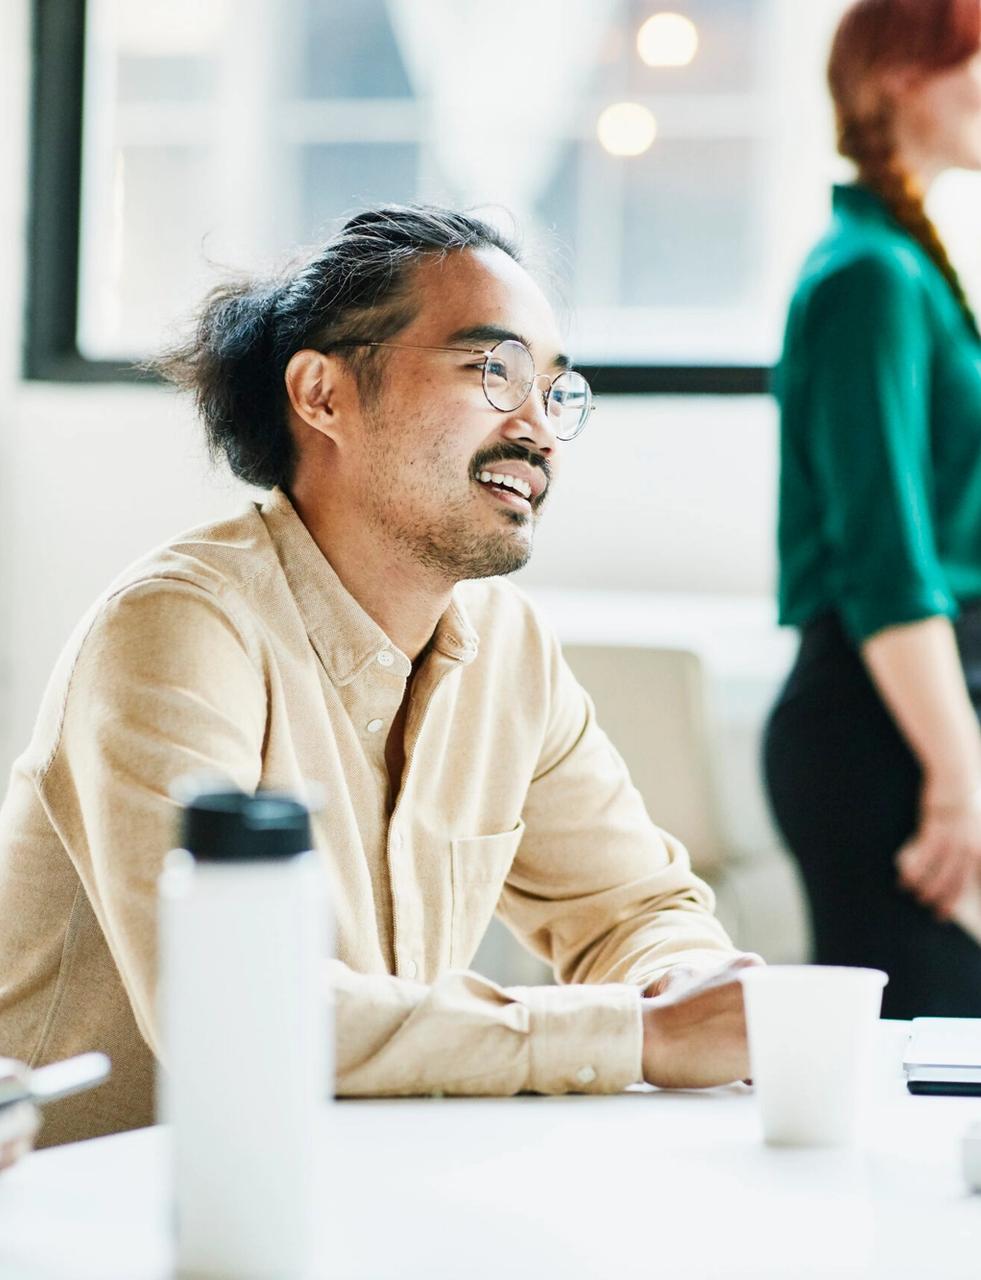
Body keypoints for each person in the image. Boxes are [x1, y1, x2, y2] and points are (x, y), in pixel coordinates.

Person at [0, 206, 755, 1146]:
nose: (541, 432)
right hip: (103, 1220)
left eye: (557, 393)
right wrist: (635, 1035)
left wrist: (692, 989)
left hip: (359, 1195)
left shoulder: (509, 650)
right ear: (321, 394)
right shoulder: (177, 626)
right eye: (494, 372)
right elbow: (235, 1016)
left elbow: (633, 910)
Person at [764, 0, 981, 1019]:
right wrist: (955, 773)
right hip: (880, 728)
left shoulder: (903, 264)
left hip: (914, 716)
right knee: (923, 1072)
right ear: (903, 74)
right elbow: (887, 563)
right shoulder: (870, 278)